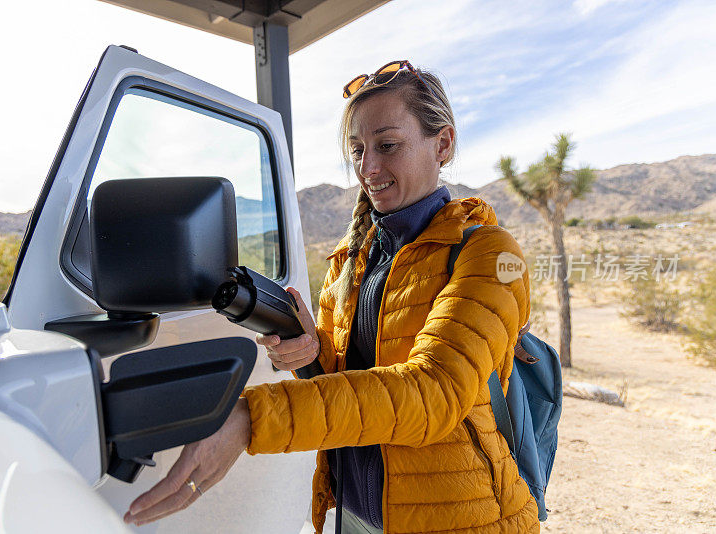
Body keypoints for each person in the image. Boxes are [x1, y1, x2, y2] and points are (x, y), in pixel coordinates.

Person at [123, 60, 540, 533]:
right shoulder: (352, 257)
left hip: (457, 517)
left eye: (387, 145)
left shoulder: (491, 253)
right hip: (353, 509)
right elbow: (345, 383)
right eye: (358, 150)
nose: (368, 168)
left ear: (442, 144)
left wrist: (250, 418)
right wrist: (310, 353)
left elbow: (434, 394)